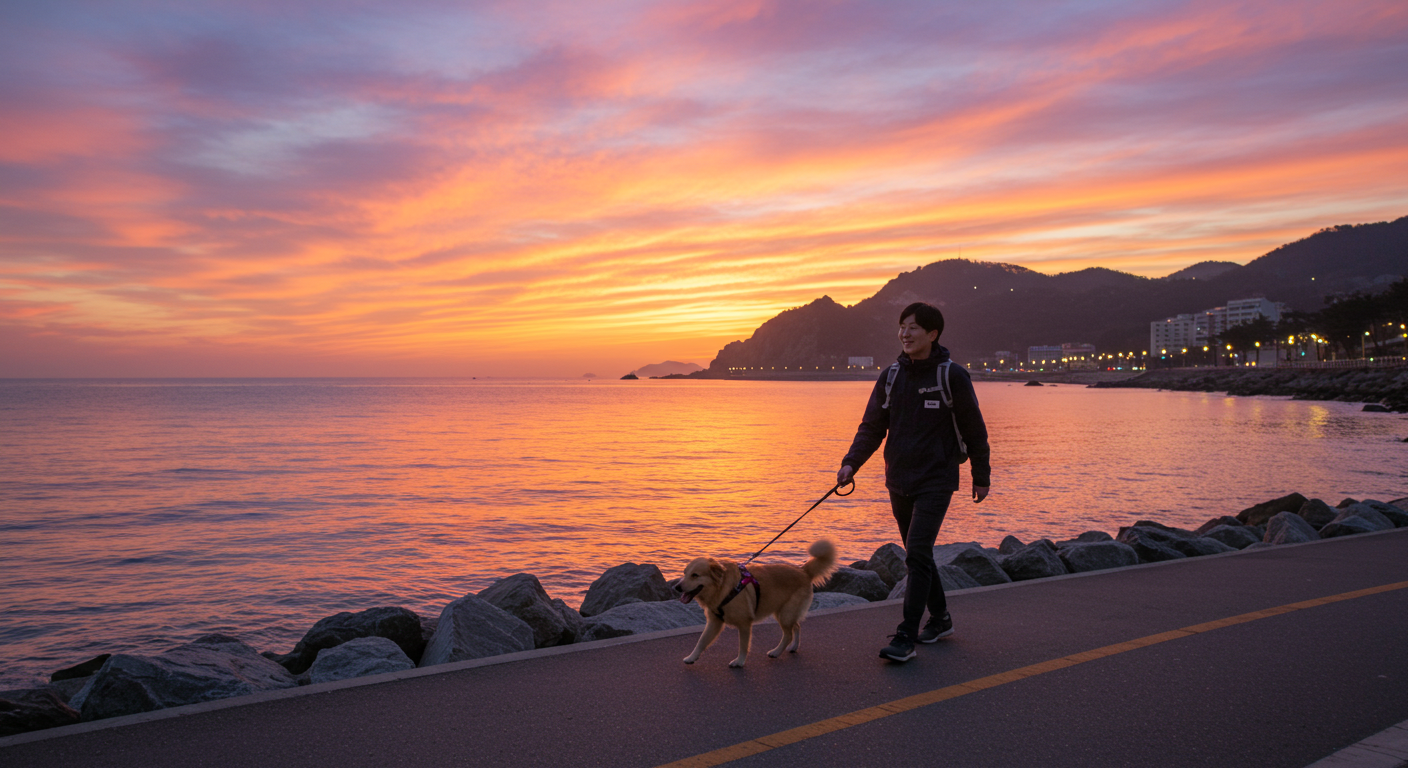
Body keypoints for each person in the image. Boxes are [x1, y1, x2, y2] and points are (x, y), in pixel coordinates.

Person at [838, 301, 991, 662]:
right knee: (917, 554)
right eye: (902, 326)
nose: (905, 333)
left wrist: (980, 477)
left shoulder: (951, 376)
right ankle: (940, 619)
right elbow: (872, 426)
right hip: (898, 480)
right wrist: (851, 464)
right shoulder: (892, 376)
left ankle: (906, 636)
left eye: (913, 327)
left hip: (937, 479)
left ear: (932, 334)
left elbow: (975, 430)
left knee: (918, 554)